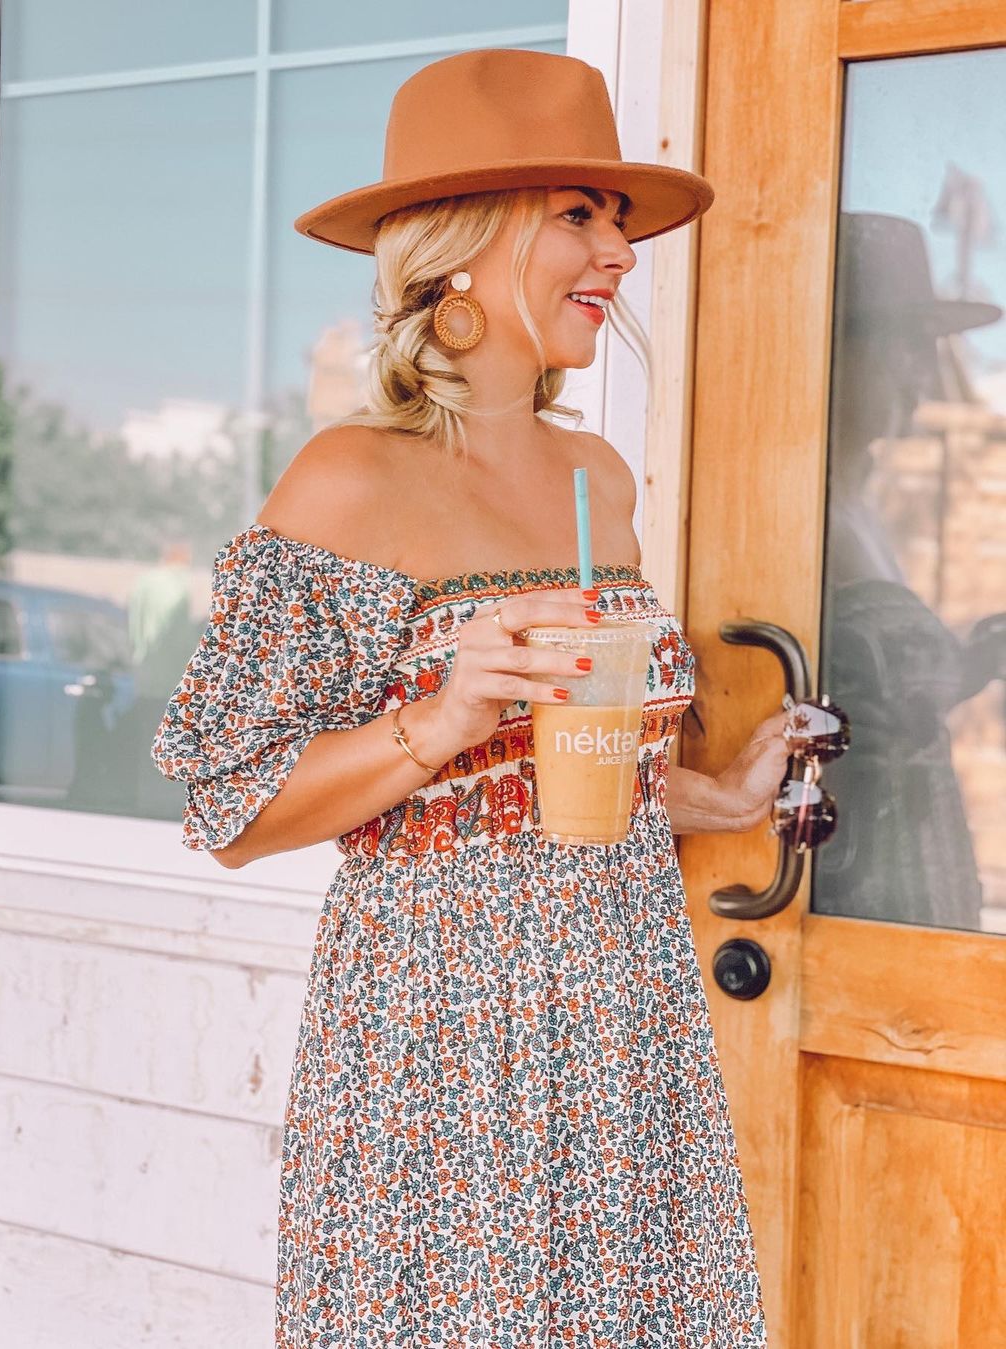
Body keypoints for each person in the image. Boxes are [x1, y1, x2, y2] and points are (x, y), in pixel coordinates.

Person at [151, 48, 788, 1347]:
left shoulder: (598, 477)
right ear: (458, 246)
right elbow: (231, 804)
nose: (619, 251)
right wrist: (438, 718)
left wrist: (719, 794)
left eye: (617, 218)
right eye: (578, 214)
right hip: (442, 1042)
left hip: (625, 1021)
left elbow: (565, 770)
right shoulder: (349, 480)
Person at [820, 211, 1006, 931]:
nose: (924, 378)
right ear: (840, 352)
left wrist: (969, 664)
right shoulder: (797, 521)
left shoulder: (861, 505)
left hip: (917, 848)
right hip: (853, 867)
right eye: (905, 348)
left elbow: (882, 693)